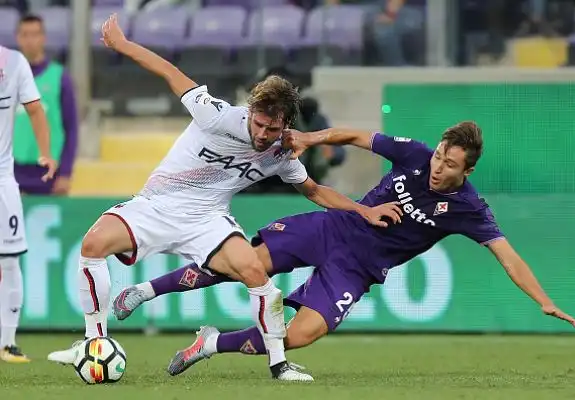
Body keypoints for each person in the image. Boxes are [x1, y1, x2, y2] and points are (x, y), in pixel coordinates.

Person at [46, 14, 401, 381]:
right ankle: (94, 341)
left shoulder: (281, 152)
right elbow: (171, 73)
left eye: (273, 128)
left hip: (207, 219)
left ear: (286, 126)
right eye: (259, 124)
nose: (263, 134)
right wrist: (123, 45)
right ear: (250, 113)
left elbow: (314, 190)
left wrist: (363, 210)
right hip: (156, 205)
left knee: (256, 273)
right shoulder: (216, 115)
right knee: (92, 245)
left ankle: (279, 365)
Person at [113, 121, 575, 378]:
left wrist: (542, 300)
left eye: (450, 164)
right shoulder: (415, 154)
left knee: (299, 336)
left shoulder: (468, 209)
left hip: (357, 269)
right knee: (244, 264)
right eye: (439, 156)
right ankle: (145, 292)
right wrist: (313, 138)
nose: (438, 167)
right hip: (333, 227)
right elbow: (358, 137)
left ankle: (210, 343)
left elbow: (507, 255)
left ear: (467, 172)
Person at [0, 44, 57, 362]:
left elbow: (36, 109)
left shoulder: (13, 62)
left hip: (3, 181)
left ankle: (7, 343)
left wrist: (46, 152)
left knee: (9, 261)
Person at [14, 14, 78, 195]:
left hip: (49, 173)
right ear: (18, 38)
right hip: (13, 171)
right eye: (25, 34)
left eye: (35, 34)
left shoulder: (60, 77)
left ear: (44, 37)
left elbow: (71, 128)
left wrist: (66, 172)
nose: (30, 40)